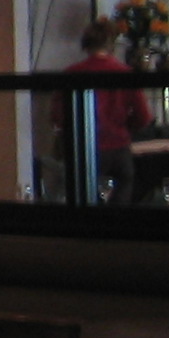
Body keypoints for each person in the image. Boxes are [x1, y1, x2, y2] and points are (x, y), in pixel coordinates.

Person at [59, 17, 153, 204]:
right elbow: (143, 116)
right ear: (112, 44)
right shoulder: (124, 73)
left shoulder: (72, 73)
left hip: (84, 148)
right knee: (123, 189)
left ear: (86, 44)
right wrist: (125, 128)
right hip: (118, 147)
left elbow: (58, 115)